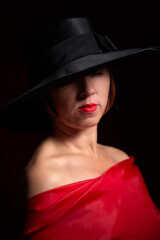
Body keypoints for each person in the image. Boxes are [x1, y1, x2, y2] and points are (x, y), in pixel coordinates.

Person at [0, 17, 160, 240]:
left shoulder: (119, 158)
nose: (87, 90)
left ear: (110, 79)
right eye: (69, 78)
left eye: (96, 72)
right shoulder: (46, 176)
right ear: (47, 94)